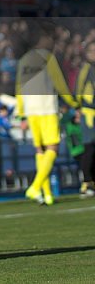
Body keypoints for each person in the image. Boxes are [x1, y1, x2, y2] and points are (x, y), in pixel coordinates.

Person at [16, 26, 77, 206]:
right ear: (42, 40)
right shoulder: (47, 58)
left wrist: (21, 114)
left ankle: (46, 194)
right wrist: (73, 103)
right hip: (46, 108)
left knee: (40, 150)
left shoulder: (24, 60)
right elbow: (60, 83)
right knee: (53, 148)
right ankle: (35, 187)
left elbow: (19, 89)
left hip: (30, 110)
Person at [74, 43, 95, 196]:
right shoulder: (86, 69)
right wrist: (78, 108)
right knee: (89, 148)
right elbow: (78, 91)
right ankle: (86, 183)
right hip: (89, 114)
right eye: (92, 51)